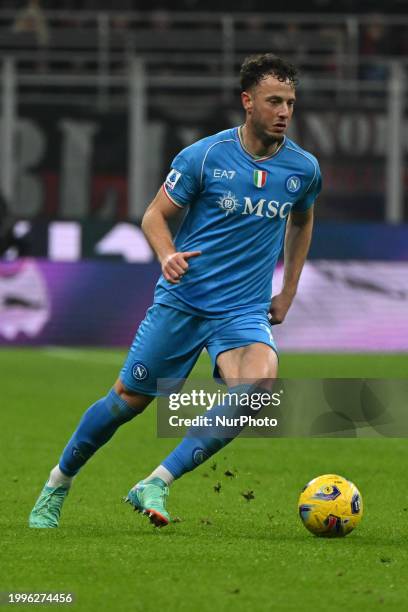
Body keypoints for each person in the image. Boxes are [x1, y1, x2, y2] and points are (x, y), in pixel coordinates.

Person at [29, 53, 321, 528]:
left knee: (258, 387)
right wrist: (167, 255)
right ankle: (57, 483)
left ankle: (157, 481)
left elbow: (303, 221)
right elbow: (153, 216)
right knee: (126, 402)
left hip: (243, 311)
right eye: (274, 101)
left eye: (290, 101)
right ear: (248, 102)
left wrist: (287, 289)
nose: (284, 111)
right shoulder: (204, 157)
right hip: (184, 301)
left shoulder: (303, 169)